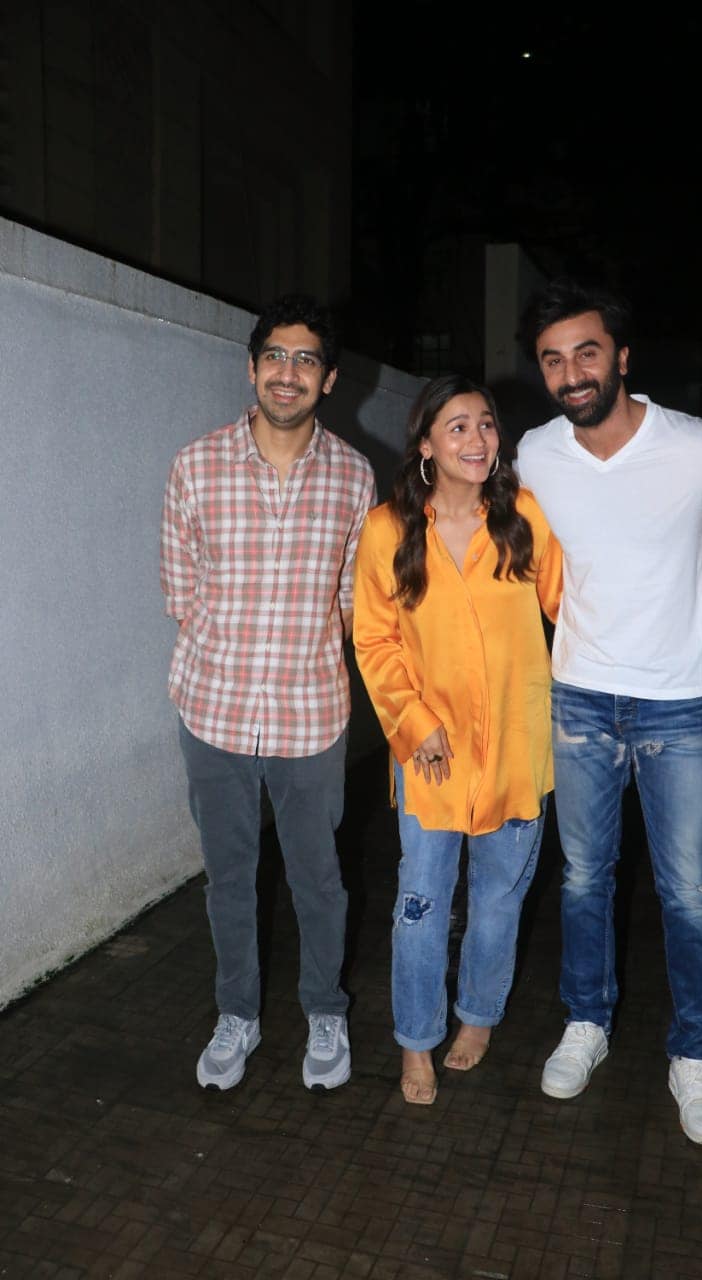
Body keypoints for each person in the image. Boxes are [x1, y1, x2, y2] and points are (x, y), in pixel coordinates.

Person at [515, 277, 702, 1145]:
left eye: (584, 352)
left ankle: (694, 1058)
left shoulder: (698, 447)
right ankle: (587, 1023)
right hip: (576, 696)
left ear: (620, 356)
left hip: (677, 706)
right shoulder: (535, 453)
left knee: (686, 892)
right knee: (583, 878)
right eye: (551, 359)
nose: (570, 372)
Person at [160, 294, 376, 1093]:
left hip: (309, 717)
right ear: (251, 369)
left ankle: (324, 1009)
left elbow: (357, 602)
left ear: (329, 380)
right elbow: (181, 590)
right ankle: (237, 1015)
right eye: (275, 357)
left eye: (306, 360)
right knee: (228, 876)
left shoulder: (355, 477)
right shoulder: (196, 464)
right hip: (212, 710)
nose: (289, 373)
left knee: (317, 879)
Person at [353, 374, 562, 1105]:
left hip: (515, 749)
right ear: (425, 446)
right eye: (457, 428)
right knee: (420, 904)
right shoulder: (387, 530)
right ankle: (415, 1040)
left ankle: (477, 1016)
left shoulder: (524, 516)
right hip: (431, 757)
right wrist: (413, 725)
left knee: (499, 902)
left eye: (485, 425)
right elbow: (373, 642)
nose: (476, 440)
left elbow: (574, 607)